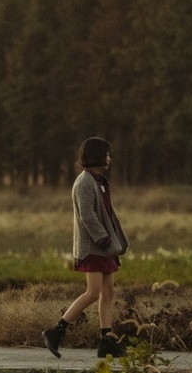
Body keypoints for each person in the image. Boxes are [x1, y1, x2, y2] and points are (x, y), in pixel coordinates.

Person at [42, 136, 129, 359]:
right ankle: (56, 331)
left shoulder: (98, 181)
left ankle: (106, 340)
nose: (109, 158)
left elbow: (108, 214)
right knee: (93, 292)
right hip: (94, 247)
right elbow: (88, 217)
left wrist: (118, 241)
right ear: (97, 155)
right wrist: (105, 240)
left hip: (105, 247)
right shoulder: (84, 183)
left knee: (108, 292)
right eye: (106, 154)